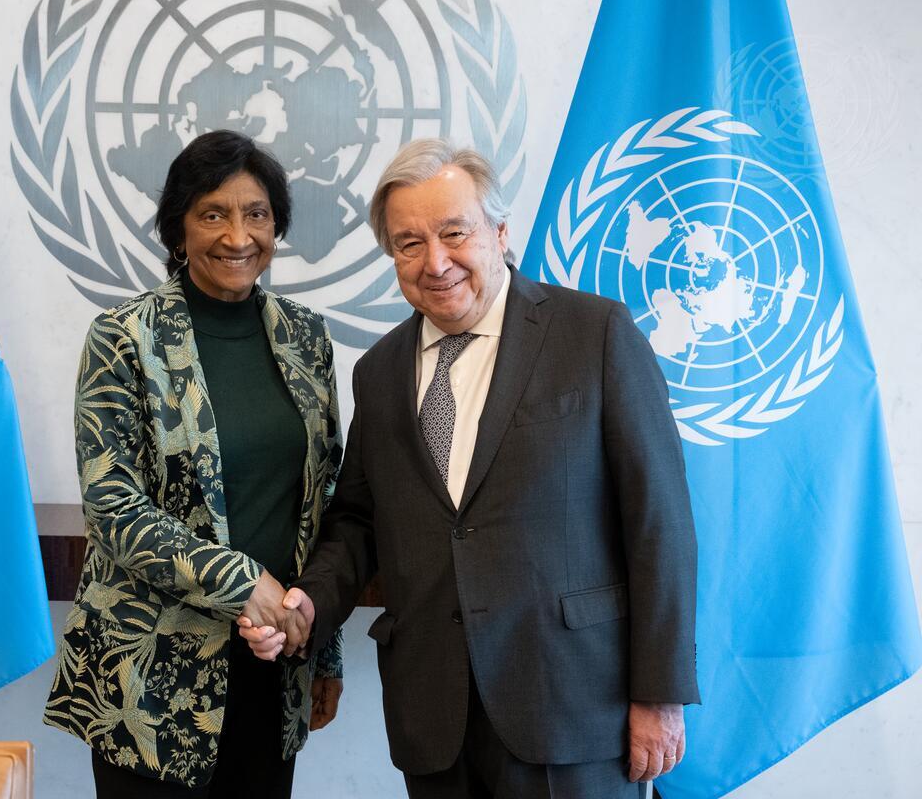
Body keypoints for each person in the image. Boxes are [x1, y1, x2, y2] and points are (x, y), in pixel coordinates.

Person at [240, 138, 699, 798]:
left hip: (573, 710)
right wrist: (309, 602)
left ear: (500, 232)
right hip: (435, 720)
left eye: (454, 233)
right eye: (408, 243)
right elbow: (361, 521)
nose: (436, 262)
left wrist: (660, 694)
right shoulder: (381, 371)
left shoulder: (592, 334)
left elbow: (660, 520)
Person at [44, 129, 344, 798]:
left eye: (257, 214)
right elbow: (114, 509)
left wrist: (321, 645)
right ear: (178, 229)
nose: (238, 235)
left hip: (273, 668)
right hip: (149, 683)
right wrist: (244, 581)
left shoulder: (306, 339)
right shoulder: (123, 337)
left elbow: (322, 500)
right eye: (214, 213)